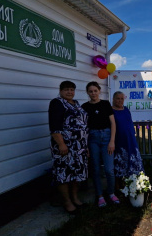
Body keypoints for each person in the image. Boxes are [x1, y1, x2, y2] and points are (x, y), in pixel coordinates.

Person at [48, 81, 88, 214]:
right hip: (65, 147)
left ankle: (75, 198)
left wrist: (85, 146)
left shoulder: (76, 104)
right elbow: (54, 127)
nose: (69, 92)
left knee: (76, 173)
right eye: (66, 90)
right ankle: (67, 202)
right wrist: (61, 144)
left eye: (72, 89)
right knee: (64, 174)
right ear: (60, 90)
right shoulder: (57, 103)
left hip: (79, 147)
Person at [82, 81, 119, 207]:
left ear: (99, 91)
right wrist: (85, 146)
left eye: (95, 91)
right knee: (96, 169)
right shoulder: (84, 107)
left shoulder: (105, 104)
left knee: (109, 170)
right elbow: (84, 127)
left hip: (107, 138)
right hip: (93, 139)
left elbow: (113, 123)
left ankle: (111, 193)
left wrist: (112, 141)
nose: (93, 93)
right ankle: (99, 195)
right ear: (87, 92)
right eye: (90, 91)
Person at [112, 91, 144, 188]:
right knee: (119, 162)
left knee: (132, 161)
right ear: (113, 99)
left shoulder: (126, 109)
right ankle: (118, 185)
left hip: (130, 139)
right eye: (118, 98)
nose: (120, 100)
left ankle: (132, 183)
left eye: (122, 99)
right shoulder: (111, 111)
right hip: (119, 140)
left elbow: (129, 123)